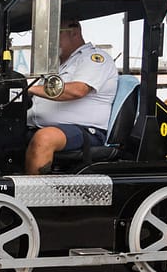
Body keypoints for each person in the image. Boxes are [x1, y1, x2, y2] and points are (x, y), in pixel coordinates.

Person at [25, 20, 117, 174]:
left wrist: (29, 89)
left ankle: (30, 196)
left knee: (44, 139)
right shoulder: (58, 64)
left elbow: (77, 90)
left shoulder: (94, 58)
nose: (48, 41)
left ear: (73, 32)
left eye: (54, 34)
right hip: (44, 126)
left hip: (86, 130)